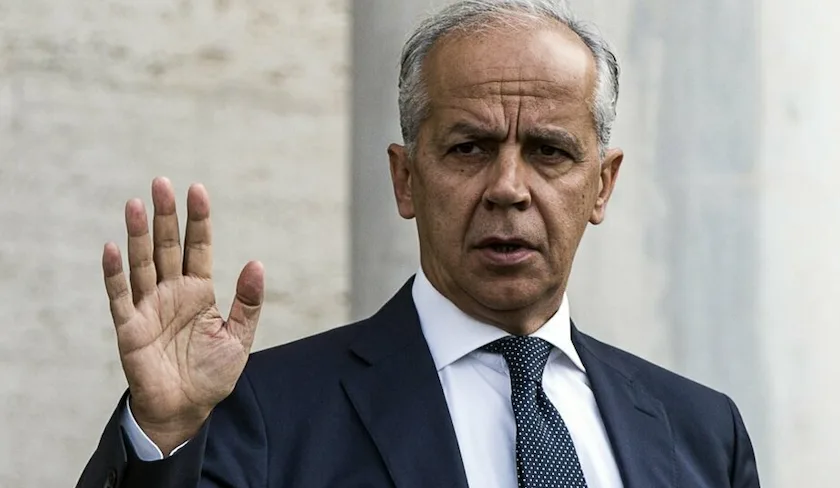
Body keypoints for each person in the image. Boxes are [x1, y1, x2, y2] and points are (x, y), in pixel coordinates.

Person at [76, 0, 761, 487]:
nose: (508, 188)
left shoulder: (702, 432)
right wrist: (164, 436)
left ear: (601, 186)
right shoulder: (265, 412)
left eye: (549, 152)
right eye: (469, 148)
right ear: (406, 180)